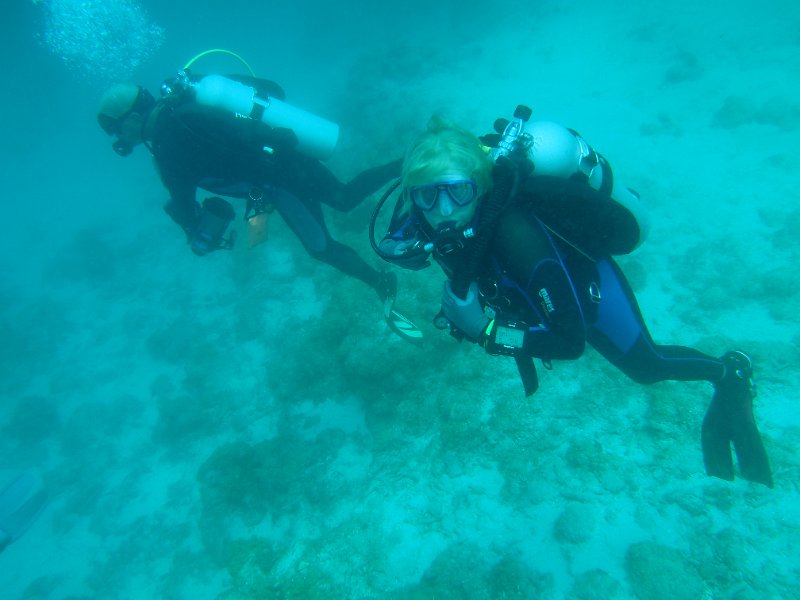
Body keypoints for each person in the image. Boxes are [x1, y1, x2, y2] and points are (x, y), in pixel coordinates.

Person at [375, 111, 773, 487]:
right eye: (429, 196)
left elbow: (570, 342)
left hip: (587, 295)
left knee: (647, 367)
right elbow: (408, 237)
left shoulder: (516, 236)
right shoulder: (429, 220)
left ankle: (731, 373)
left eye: (459, 192)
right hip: (530, 299)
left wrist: (485, 330)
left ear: (479, 188)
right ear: (412, 197)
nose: (444, 211)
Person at [97, 67, 417, 338]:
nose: (121, 141)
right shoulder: (188, 103)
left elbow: (187, 208)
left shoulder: (167, 148)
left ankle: (380, 283)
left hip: (276, 182)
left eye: (117, 131)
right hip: (289, 157)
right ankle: (407, 162)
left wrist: (191, 223)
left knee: (320, 248)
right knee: (343, 197)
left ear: (130, 121)